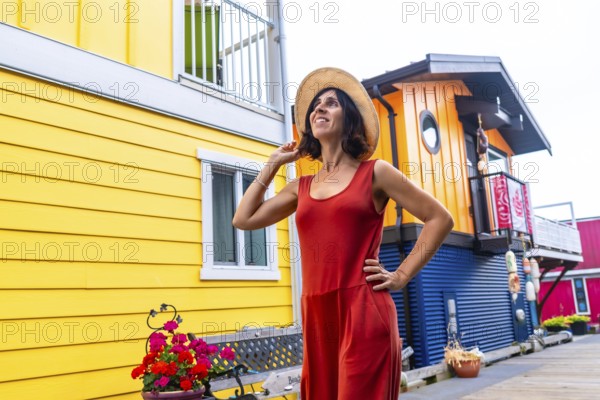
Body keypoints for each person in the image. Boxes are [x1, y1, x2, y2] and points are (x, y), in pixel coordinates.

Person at [233, 67, 454, 399]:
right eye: (316, 105)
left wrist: (401, 275)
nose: (320, 108)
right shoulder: (300, 187)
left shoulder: (376, 173)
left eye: (331, 103)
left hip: (364, 310)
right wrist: (273, 164)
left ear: (348, 119)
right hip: (318, 317)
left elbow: (440, 218)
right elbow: (243, 219)